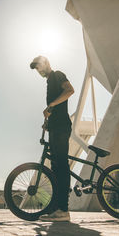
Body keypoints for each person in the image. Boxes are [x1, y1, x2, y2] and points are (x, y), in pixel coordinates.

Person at [30, 55, 74, 222]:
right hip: (55, 128)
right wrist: (48, 123)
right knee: (56, 168)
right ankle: (56, 208)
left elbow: (70, 90)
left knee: (61, 165)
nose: (39, 70)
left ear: (47, 63)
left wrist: (51, 106)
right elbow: (56, 106)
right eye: (37, 69)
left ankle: (64, 210)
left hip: (62, 127)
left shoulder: (57, 75)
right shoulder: (49, 82)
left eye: (40, 66)